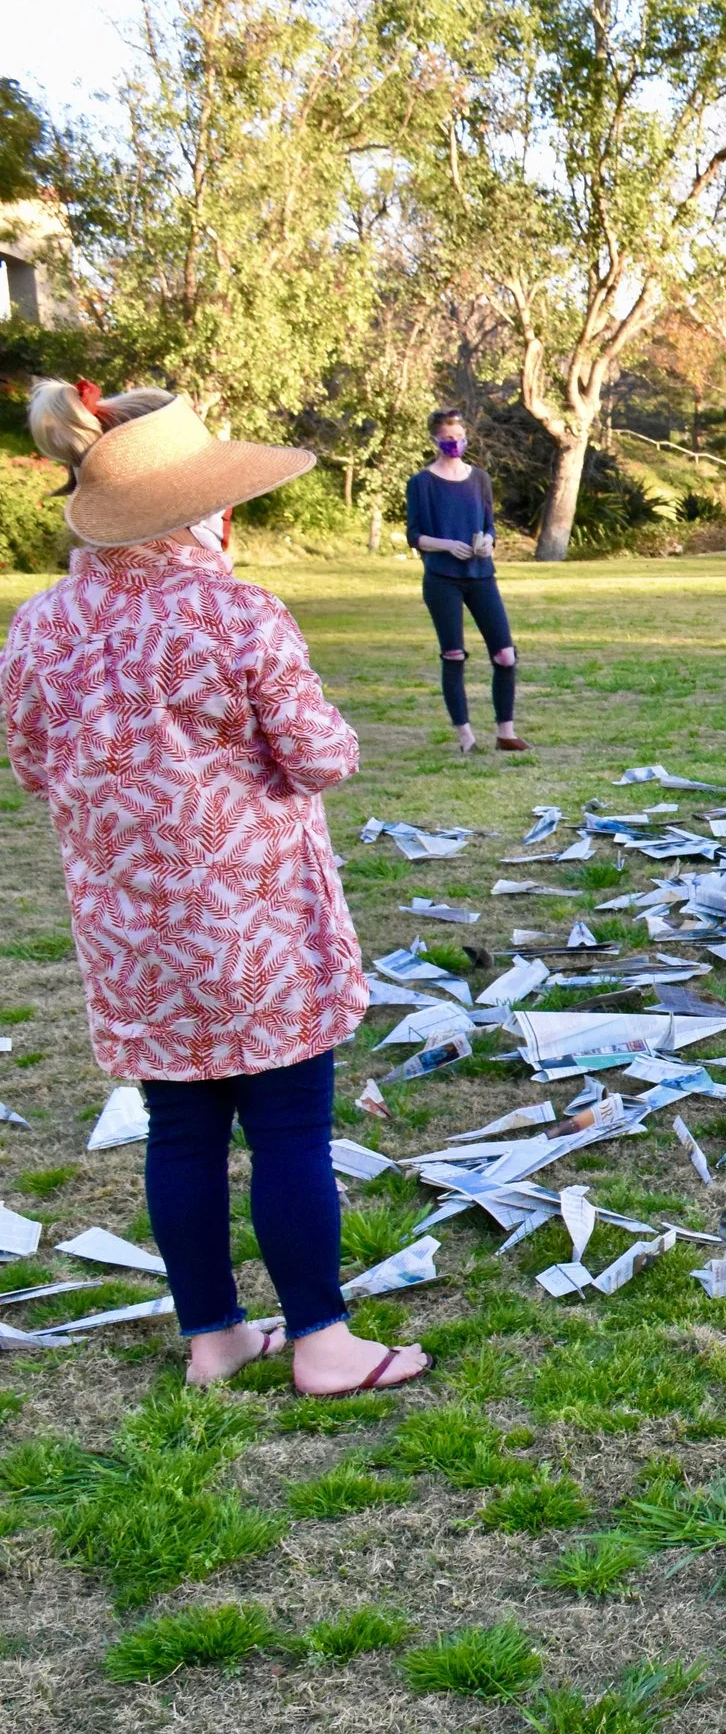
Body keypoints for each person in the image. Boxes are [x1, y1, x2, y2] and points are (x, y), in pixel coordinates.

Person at [3, 381, 430, 1394]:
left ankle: (216, 1337)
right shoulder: (236, 614)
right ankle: (322, 1341)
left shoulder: (40, 628)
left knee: (180, 1131)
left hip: (129, 928)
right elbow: (320, 756)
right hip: (253, 921)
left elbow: (28, 763)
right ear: (203, 503)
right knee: (288, 1127)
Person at [406, 408, 527, 754]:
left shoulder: (480, 479)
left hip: (481, 575)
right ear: (435, 441)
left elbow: (489, 524)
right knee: (454, 654)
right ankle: (466, 738)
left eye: (458, 439)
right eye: (447, 440)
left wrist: (488, 541)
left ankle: (506, 732)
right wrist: (447, 546)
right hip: (442, 579)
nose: (454, 444)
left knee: (505, 655)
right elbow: (415, 535)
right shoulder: (422, 483)